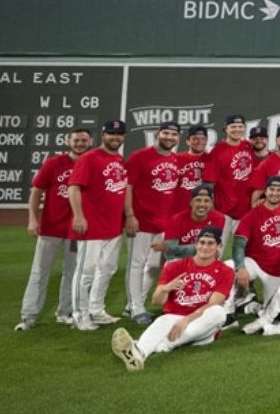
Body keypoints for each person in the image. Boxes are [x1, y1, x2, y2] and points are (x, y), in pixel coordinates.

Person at [110, 227, 234, 371]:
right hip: (173, 317)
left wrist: (186, 320)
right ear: (196, 244)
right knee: (162, 320)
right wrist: (165, 288)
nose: (205, 247)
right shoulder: (175, 266)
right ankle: (138, 353)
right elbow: (157, 301)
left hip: (202, 324)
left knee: (218, 312)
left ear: (219, 246)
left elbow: (214, 303)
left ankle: (155, 345)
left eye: (210, 243)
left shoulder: (225, 271)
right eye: (202, 242)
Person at [16, 128, 92, 330]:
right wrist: (32, 219)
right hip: (50, 228)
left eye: (84, 140)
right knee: (39, 272)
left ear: (90, 141)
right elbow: (35, 192)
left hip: (77, 230)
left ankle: (64, 312)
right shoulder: (53, 163)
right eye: (76, 140)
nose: (80, 143)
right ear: (69, 141)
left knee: (72, 273)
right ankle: (29, 316)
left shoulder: (91, 164)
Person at [68, 119, 130, 331]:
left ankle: (96, 310)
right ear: (103, 135)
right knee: (86, 272)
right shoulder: (89, 158)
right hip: (91, 226)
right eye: (111, 134)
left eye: (119, 134)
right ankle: (79, 315)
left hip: (112, 226)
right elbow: (74, 188)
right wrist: (78, 216)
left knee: (107, 269)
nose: (115, 138)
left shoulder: (119, 159)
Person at [123, 121, 182, 323]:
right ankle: (136, 308)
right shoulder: (139, 156)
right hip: (141, 221)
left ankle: (133, 304)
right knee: (136, 264)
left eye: (174, 135)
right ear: (158, 134)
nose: (169, 137)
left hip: (163, 222)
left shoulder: (175, 159)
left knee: (155, 266)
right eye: (165, 133)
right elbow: (127, 187)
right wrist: (129, 215)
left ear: (178, 138)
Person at [233, 176, 280, 307]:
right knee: (229, 269)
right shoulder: (252, 214)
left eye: (279, 190)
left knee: (276, 309)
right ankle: (229, 313)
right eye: (271, 189)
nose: (274, 193)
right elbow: (238, 244)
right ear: (265, 191)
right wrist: (240, 268)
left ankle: (250, 306)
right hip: (255, 263)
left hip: (279, 270)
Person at [203, 114, 255, 245]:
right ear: (225, 128)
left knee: (246, 250)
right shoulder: (218, 151)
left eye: (240, 126)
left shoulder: (248, 147)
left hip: (246, 209)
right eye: (233, 126)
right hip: (223, 210)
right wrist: (211, 209)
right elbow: (209, 183)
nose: (237, 129)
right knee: (216, 249)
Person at [161, 185, 226, 262]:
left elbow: (213, 250)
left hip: (204, 261)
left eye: (206, 201)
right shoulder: (177, 219)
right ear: (191, 202)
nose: (202, 204)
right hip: (179, 261)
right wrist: (201, 249)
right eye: (198, 200)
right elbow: (169, 252)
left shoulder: (218, 218)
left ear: (211, 204)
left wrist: (180, 250)